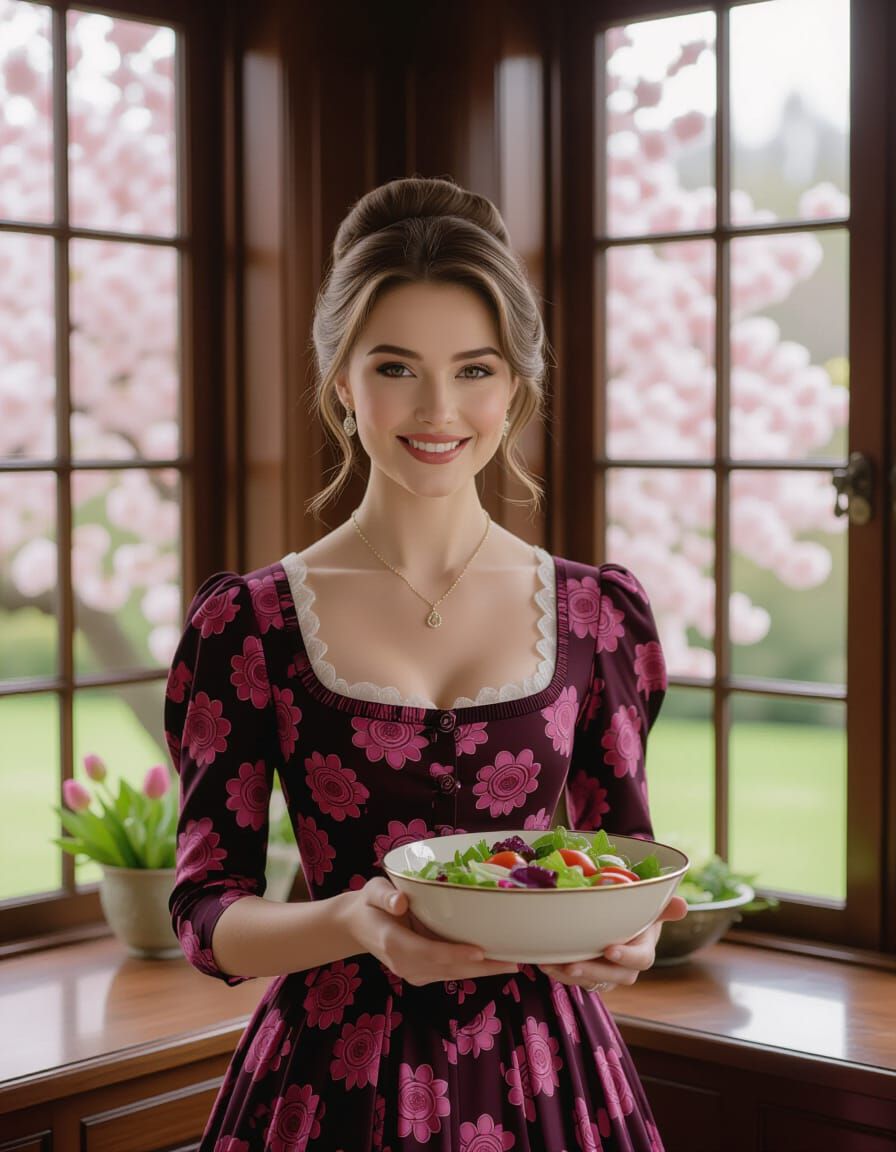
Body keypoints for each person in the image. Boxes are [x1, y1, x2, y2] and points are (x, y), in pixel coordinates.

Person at [164, 174, 687, 1152]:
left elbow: (624, 865)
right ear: (339, 383)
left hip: (551, 1086)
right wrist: (355, 922)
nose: (440, 408)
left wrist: (630, 940)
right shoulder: (250, 625)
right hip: (326, 1088)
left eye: (475, 370)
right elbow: (205, 912)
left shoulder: (595, 616)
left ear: (517, 386)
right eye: (396, 368)